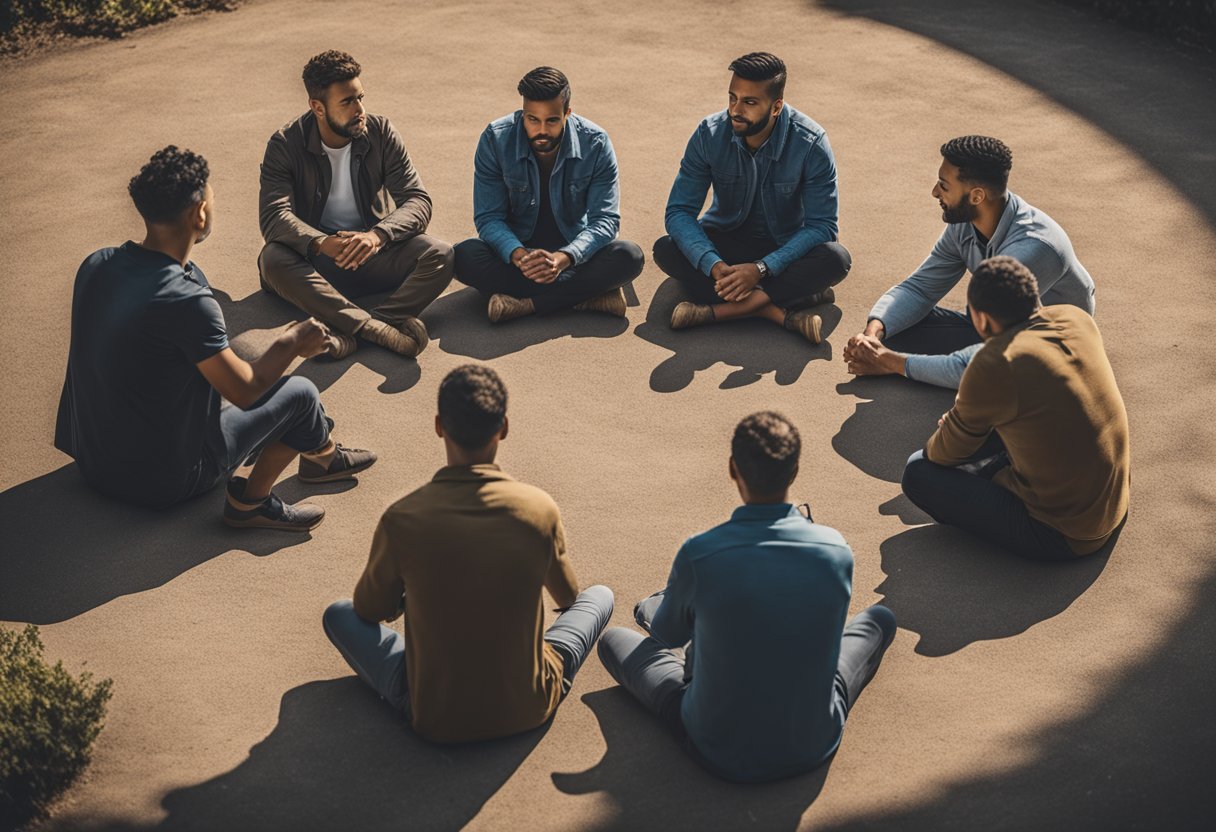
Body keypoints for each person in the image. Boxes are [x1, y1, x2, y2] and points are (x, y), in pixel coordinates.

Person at [55, 146, 377, 531]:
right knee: (302, 394)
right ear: (200, 213)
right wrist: (292, 343)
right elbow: (244, 391)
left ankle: (319, 446)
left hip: (94, 463)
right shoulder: (187, 301)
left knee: (249, 376)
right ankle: (253, 502)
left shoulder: (96, 263)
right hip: (164, 482)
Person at [598, 412, 895, 783]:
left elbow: (668, 636)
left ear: (732, 469)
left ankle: (662, 601)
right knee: (881, 620)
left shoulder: (700, 552)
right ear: (795, 470)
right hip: (812, 739)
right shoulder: (836, 548)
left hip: (718, 744)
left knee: (614, 641)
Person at [323, 365, 614, 742]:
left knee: (338, 614)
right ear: (504, 427)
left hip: (436, 717)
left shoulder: (403, 518)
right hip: (530, 705)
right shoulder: (539, 509)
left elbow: (368, 610)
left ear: (439, 426)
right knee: (599, 596)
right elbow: (569, 598)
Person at [901, 256, 1130, 560]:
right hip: (1112, 504)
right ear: (1034, 296)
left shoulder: (995, 364)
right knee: (1008, 419)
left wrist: (959, 415)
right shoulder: (1075, 318)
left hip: (1063, 534)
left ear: (981, 319)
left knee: (918, 473)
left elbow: (941, 453)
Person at [844, 135, 1096, 388]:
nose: (934, 192)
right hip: (994, 327)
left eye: (944, 186)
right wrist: (873, 335)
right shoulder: (965, 223)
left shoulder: (1035, 248)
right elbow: (920, 287)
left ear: (976, 196)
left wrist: (890, 363)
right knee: (897, 328)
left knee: (984, 375)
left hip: (1051, 352)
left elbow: (991, 362)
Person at [257, 50, 454, 359]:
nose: (360, 109)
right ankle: (379, 329)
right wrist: (321, 243)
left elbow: (417, 199)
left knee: (441, 254)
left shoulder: (381, 132)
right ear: (317, 107)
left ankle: (357, 331)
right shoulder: (285, 145)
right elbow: (274, 216)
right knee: (272, 260)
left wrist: (377, 236)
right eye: (347, 102)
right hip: (318, 266)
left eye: (360, 97)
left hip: (373, 253)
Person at [653, 52, 851, 344]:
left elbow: (823, 226)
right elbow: (679, 211)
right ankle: (778, 309)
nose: (735, 109)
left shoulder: (812, 143)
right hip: (727, 243)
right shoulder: (709, 134)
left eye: (749, 102)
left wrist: (761, 269)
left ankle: (716, 311)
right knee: (667, 249)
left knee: (836, 258)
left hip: (783, 248)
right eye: (732, 97)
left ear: (776, 107)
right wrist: (714, 265)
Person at [453, 67, 644, 323]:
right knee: (463, 256)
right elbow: (489, 218)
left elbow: (606, 220)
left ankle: (527, 305)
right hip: (519, 253)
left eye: (552, 120)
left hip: (573, 251)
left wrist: (564, 258)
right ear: (523, 113)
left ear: (567, 113)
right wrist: (520, 256)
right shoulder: (495, 139)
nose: (541, 130)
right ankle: (586, 296)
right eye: (532, 119)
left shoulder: (596, 143)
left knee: (629, 256)